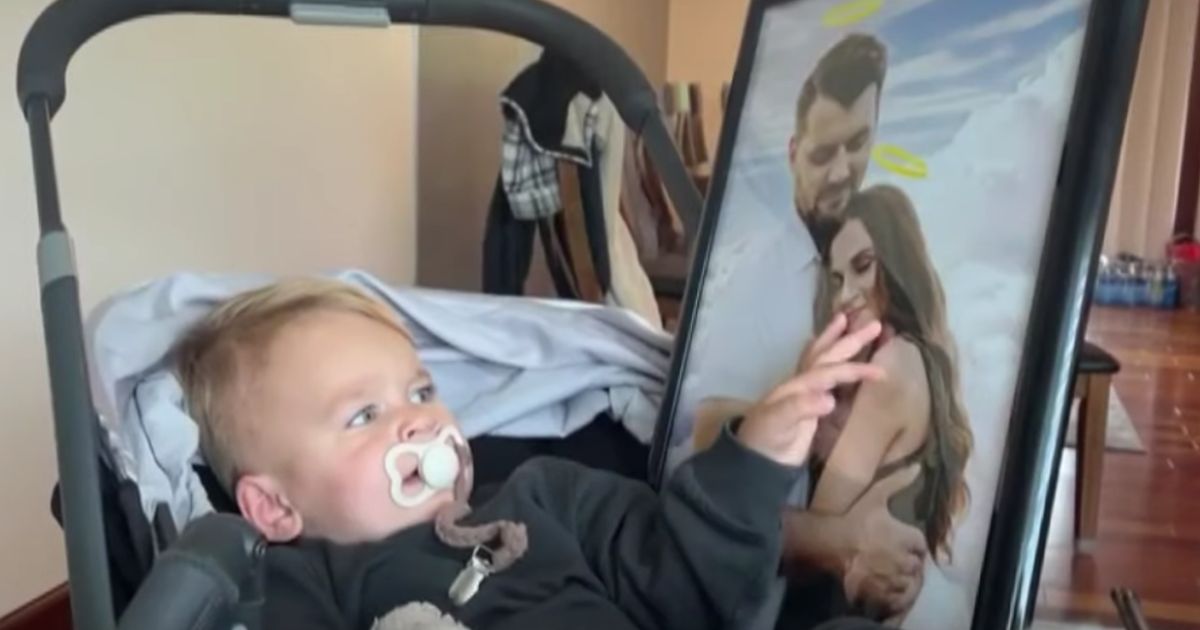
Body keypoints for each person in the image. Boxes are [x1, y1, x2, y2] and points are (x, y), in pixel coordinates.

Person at [171, 276, 893, 630]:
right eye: (365, 414)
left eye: (420, 390)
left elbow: (683, 583)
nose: (419, 421)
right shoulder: (303, 587)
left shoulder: (546, 495)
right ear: (273, 507)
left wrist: (756, 460)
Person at [683, 32, 928, 621]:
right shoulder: (753, 281)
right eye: (822, 154)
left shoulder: (869, 261)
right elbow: (697, 461)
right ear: (793, 152)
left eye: (858, 143)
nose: (844, 170)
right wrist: (841, 537)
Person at [781, 185, 975, 625]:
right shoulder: (919, 360)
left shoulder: (895, 365)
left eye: (863, 267)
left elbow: (806, 550)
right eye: (836, 278)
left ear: (897, 263)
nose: (846, 293)